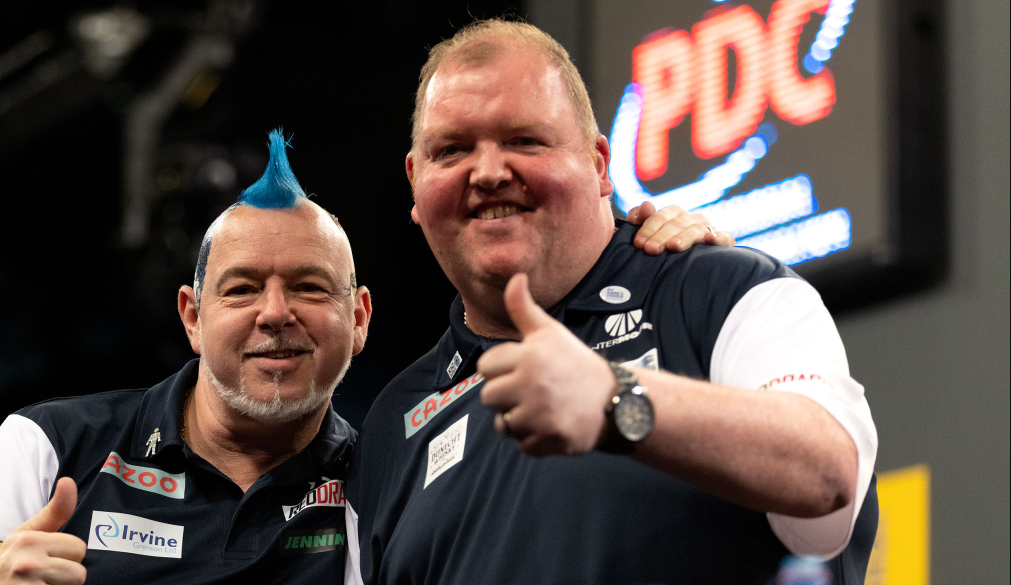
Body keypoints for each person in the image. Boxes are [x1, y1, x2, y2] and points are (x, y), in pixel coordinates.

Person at [0, 129, 718, 585]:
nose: (276, 314)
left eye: (307, 286)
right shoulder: (49, 448)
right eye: (241, 290)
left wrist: (652, 258)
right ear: (192, 317)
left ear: (358, 318)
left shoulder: (387, 474)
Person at [345, 19, 878, 585]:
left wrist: (615, 400)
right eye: (451, 150)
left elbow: (828, 470)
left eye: (525, 140)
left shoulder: (722, 293)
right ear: (414, 184)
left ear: (599, 164)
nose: (490, 172)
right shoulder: (392, 423)